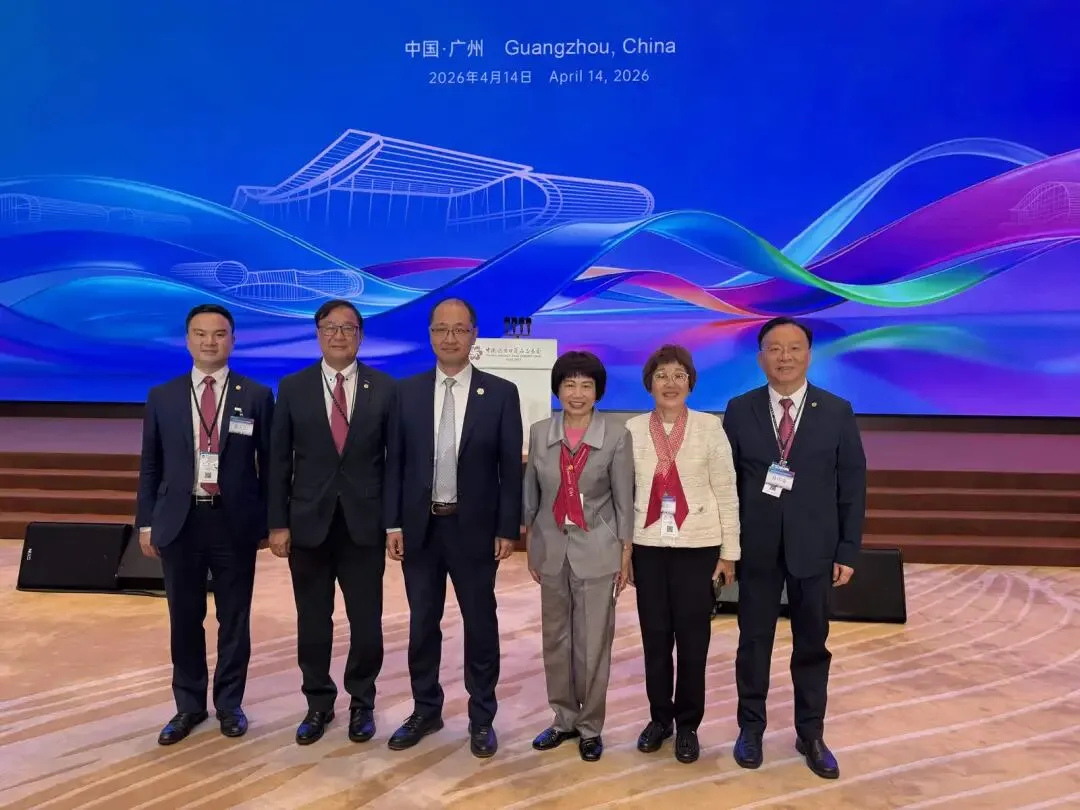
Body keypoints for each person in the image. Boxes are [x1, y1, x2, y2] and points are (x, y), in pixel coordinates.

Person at [722, 316, 866, 780]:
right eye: (774, 348)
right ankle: (751, 729)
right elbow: (727, 484)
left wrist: (847, 549)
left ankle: (811, 733)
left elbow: (852, 485)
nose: (784, 357)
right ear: (760, 357)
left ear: (809, 354)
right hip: (757, 548)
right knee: (753, 642)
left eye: (794, 348)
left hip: (815, 547)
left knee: (812, 645)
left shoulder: (837, 410)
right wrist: (728, 546)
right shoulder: (739, 409)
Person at [384, 297, 522, 759]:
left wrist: (507, 528)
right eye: (441, 329)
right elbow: (395, 464)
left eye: (459, 329)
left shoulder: (500, 393)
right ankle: (426, 709)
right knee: (422, 624)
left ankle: (482, 717)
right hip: (420, 529)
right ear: (430, 335)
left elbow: (509, 469)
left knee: (480, 625)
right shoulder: (405, 392)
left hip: (475, 530)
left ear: (474, 334)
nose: (450, 338)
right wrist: (393, 524)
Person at [135, 303, 274, 745]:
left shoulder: (256, 395)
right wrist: (145, 522)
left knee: (234, 619)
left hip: (234, 523)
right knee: (184, 618)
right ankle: (189, 706)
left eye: (218, 334)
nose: (209, 342)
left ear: (233, 339)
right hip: (180, 521)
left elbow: (271, 465)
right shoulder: (163, 396)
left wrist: (270, 521)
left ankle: (230, 704)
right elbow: (150, 464)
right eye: (200, 334)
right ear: (187, 340)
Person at [267, 299, 397, 746]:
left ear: (360, 335)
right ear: (318, 333)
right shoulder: (293, 387)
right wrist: (278, 523)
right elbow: (279, 461)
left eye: (348, 328)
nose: (339, 335)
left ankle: (362, 702)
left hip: (364, 523)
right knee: (313, 620)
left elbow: (394, 462)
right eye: (330, 327)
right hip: (308, 524)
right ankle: (318, 703)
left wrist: (393, 523)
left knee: (366, 621)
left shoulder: (385, 388)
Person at [625, 344, 741, 764]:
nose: (670, 383)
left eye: (679, 375)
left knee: (693, 643)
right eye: (661, 376)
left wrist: (729, 553)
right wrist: (625, 552)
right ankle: (660, 719)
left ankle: (689, 725)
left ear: (690, 382)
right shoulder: (633, 429)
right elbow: (624, 495)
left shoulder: (710, 428)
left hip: (698, 547)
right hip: (648, 547)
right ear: (649, 384)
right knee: (655, 640)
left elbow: (727, 491)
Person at [522, 351, 634, 763]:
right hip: (552, 549)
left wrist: (625, 552)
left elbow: (624, 499)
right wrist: (531, 546)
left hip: (598, 551)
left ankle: (590, 726)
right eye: (569, 384)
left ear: (598, 391)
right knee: (555, 639)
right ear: (558, 389)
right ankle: (563, 719)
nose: (577, 393)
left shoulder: (616, 435)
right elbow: (531, 496)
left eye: (586, 385)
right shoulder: (540, 433)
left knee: (592, 643)